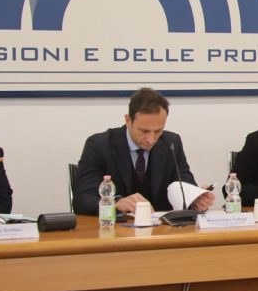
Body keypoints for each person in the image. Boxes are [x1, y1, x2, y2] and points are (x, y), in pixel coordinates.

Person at [73, 87, 215, 215]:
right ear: (128, 120)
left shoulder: (171, 143)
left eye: (158, 131)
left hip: (162, 230)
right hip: (115, 230)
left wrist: (196, 200)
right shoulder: (99, 145)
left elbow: (185, 186)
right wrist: (116, 203)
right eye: (144, 131)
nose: (151, 140)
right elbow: (82, 199)